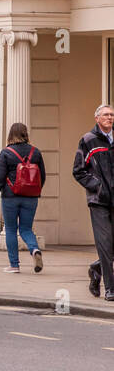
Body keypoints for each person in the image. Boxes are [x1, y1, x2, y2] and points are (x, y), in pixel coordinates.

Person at [0, 122, 47, 274]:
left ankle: (14, 265)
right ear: (25, 134)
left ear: (10, 135)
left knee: (11, 230)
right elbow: (42, 177)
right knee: (26, 228)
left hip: (10, 197)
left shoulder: (6, 153)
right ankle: (34, 250)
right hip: (31, 197)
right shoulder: (36, 152)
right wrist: (34, 191)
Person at [74, 104, 114, 300]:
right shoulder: (88, 140)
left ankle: (96, 269)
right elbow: (78, 171)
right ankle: (110, 288)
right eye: (106, 115)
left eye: (111, 115)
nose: (109, 118)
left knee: (111, 246)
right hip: (99, 201)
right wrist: (97, 186)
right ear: (97, 118)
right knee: (105, 244)